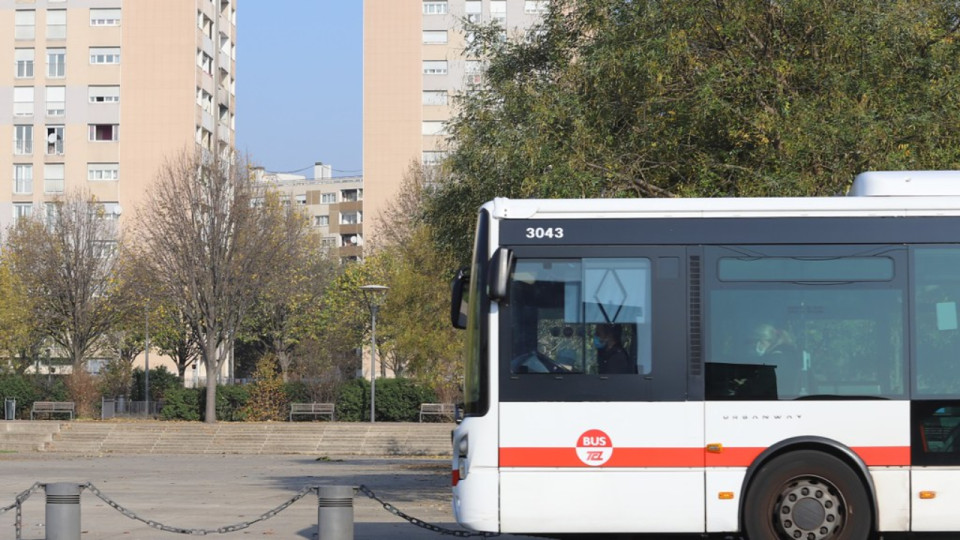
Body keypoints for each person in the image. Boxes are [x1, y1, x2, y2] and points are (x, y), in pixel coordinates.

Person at [753, 323, 802, 395]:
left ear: (767, 341)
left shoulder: (775, 359)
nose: (757, 345)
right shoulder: (786, 355)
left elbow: (765, 385)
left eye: (760, 341)